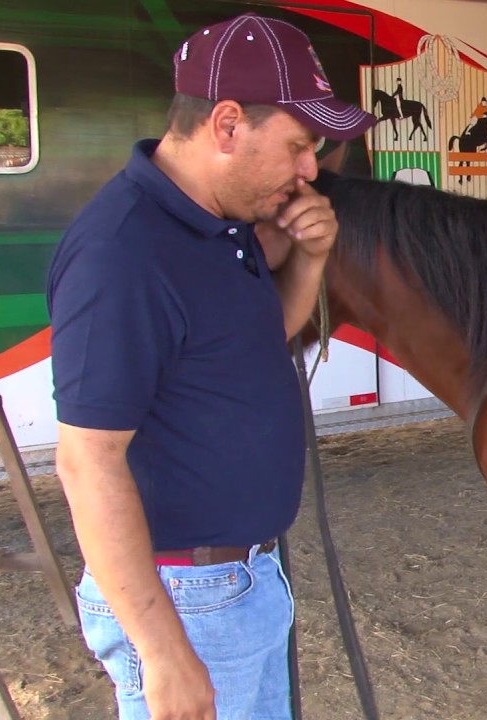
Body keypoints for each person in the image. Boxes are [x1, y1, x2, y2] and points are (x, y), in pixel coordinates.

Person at [46, 13, 375, 720]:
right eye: (298, 146)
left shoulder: (218, 220)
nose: (310, 170)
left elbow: (253, 341)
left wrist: (312, 260)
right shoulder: (122, 255)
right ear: (226, 125)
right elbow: (87, 462)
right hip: (185, 598)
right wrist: (163, 652)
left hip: (240, 580)